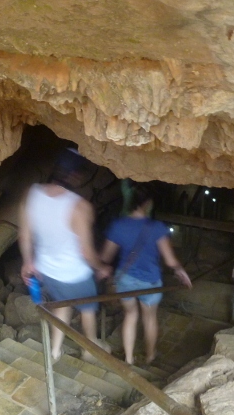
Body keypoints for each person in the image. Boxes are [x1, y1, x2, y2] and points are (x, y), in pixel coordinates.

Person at [19, 148, 112, 362]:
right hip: (74, 274)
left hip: (46, 270)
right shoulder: (80, 207)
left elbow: (24, 234)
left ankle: (55, 351)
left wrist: (27, 262)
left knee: (63, 304)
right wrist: (102, 267)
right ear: (77, 176)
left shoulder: (31, 192)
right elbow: (87, 253)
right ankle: (89, 348)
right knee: (88, 308)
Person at [101, 184, 192, 365]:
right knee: (149, 318)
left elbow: (105, 256)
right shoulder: (156, 227)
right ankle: (150, 356)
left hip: (125, 279)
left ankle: (128, 359)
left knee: (130, 315)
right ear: (147, 204)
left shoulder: (118, 225)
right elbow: (170, 260)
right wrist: (180, 271)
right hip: (150, 281)